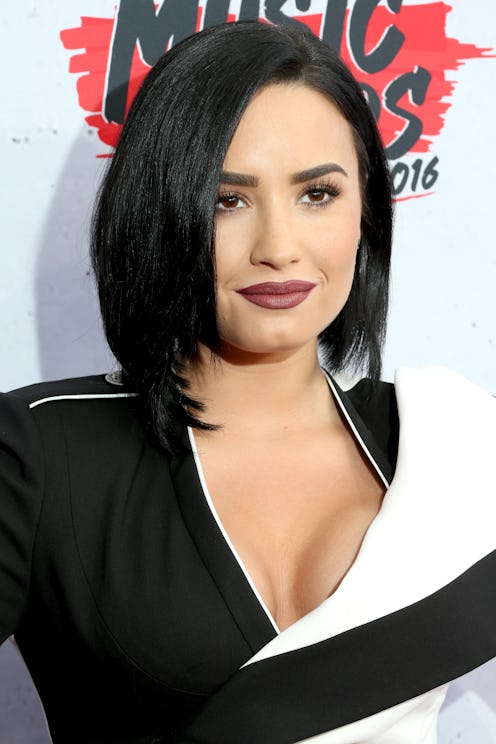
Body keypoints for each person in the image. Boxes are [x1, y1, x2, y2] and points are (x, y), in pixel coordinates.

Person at [1, 19, 495, 744]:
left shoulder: (453, 446)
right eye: (226, 200)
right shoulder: (40, 452)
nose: (278, 248)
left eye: (317, 194)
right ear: (159, 213)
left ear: (366, 209)